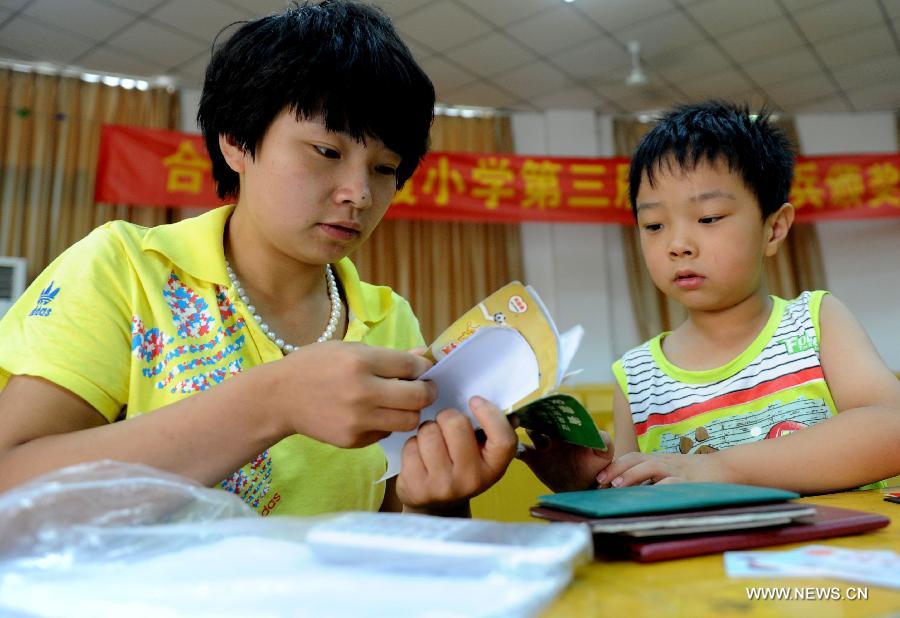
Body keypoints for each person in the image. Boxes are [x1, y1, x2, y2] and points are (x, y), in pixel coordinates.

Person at [0, 0, 517, 517]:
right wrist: (273, 400)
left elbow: (388, 530)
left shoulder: (388, 319)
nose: (359, 193)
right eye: (327, 152)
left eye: (385, 168)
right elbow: (11, 482)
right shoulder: (126, 268)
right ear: (236, 143)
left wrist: (440, 499)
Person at [522, 100, 900, 495]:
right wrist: (587, 482)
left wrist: (718, 467)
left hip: (833, 554)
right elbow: (636, 500)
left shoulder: (816, 322)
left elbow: (891, 430)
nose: (678, 244)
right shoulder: (636, 378)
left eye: (708, 218)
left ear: (773, 229)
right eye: (654, 225)